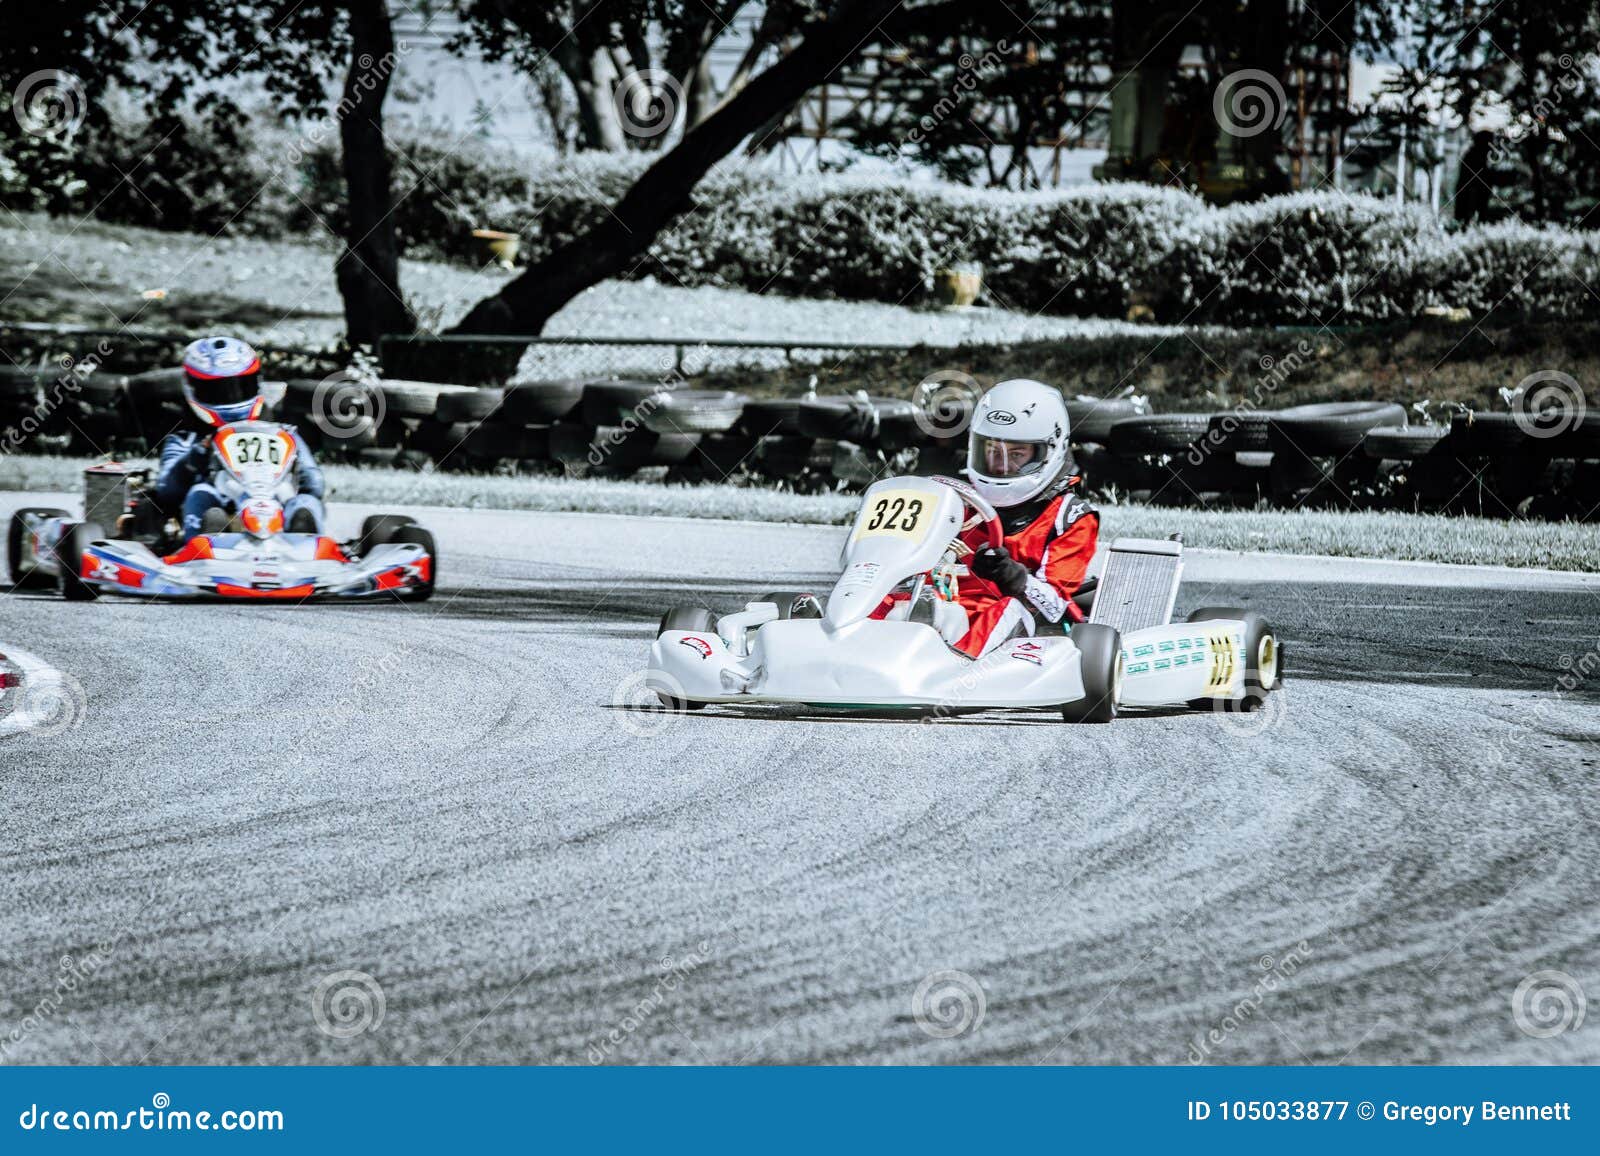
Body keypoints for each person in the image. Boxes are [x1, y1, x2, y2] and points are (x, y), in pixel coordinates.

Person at [955, 378, 1098, 657]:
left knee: (1005, 611)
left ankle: (949, 676)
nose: (1001, 465)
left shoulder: (1070, 517)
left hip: (1025, 624)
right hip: (952, 607)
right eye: (993, 451)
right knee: (893, 599)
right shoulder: (958, 500)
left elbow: (1056, 608)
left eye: (1016, 453)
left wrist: (1013, 577)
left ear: (1048, 451)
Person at [153, 336, 325, 541]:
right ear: (192, 388)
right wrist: (196, 456)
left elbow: (315, 483)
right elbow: (166, 490)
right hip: (222, 519)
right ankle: (204, 545)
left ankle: (305, 541)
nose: (231, 397)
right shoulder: (186, 440)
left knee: (305, 502)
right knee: (200, 492)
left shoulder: (284, 433)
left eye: (241, 386)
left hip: (277, 512)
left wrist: (299, 477)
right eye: (217, 391)